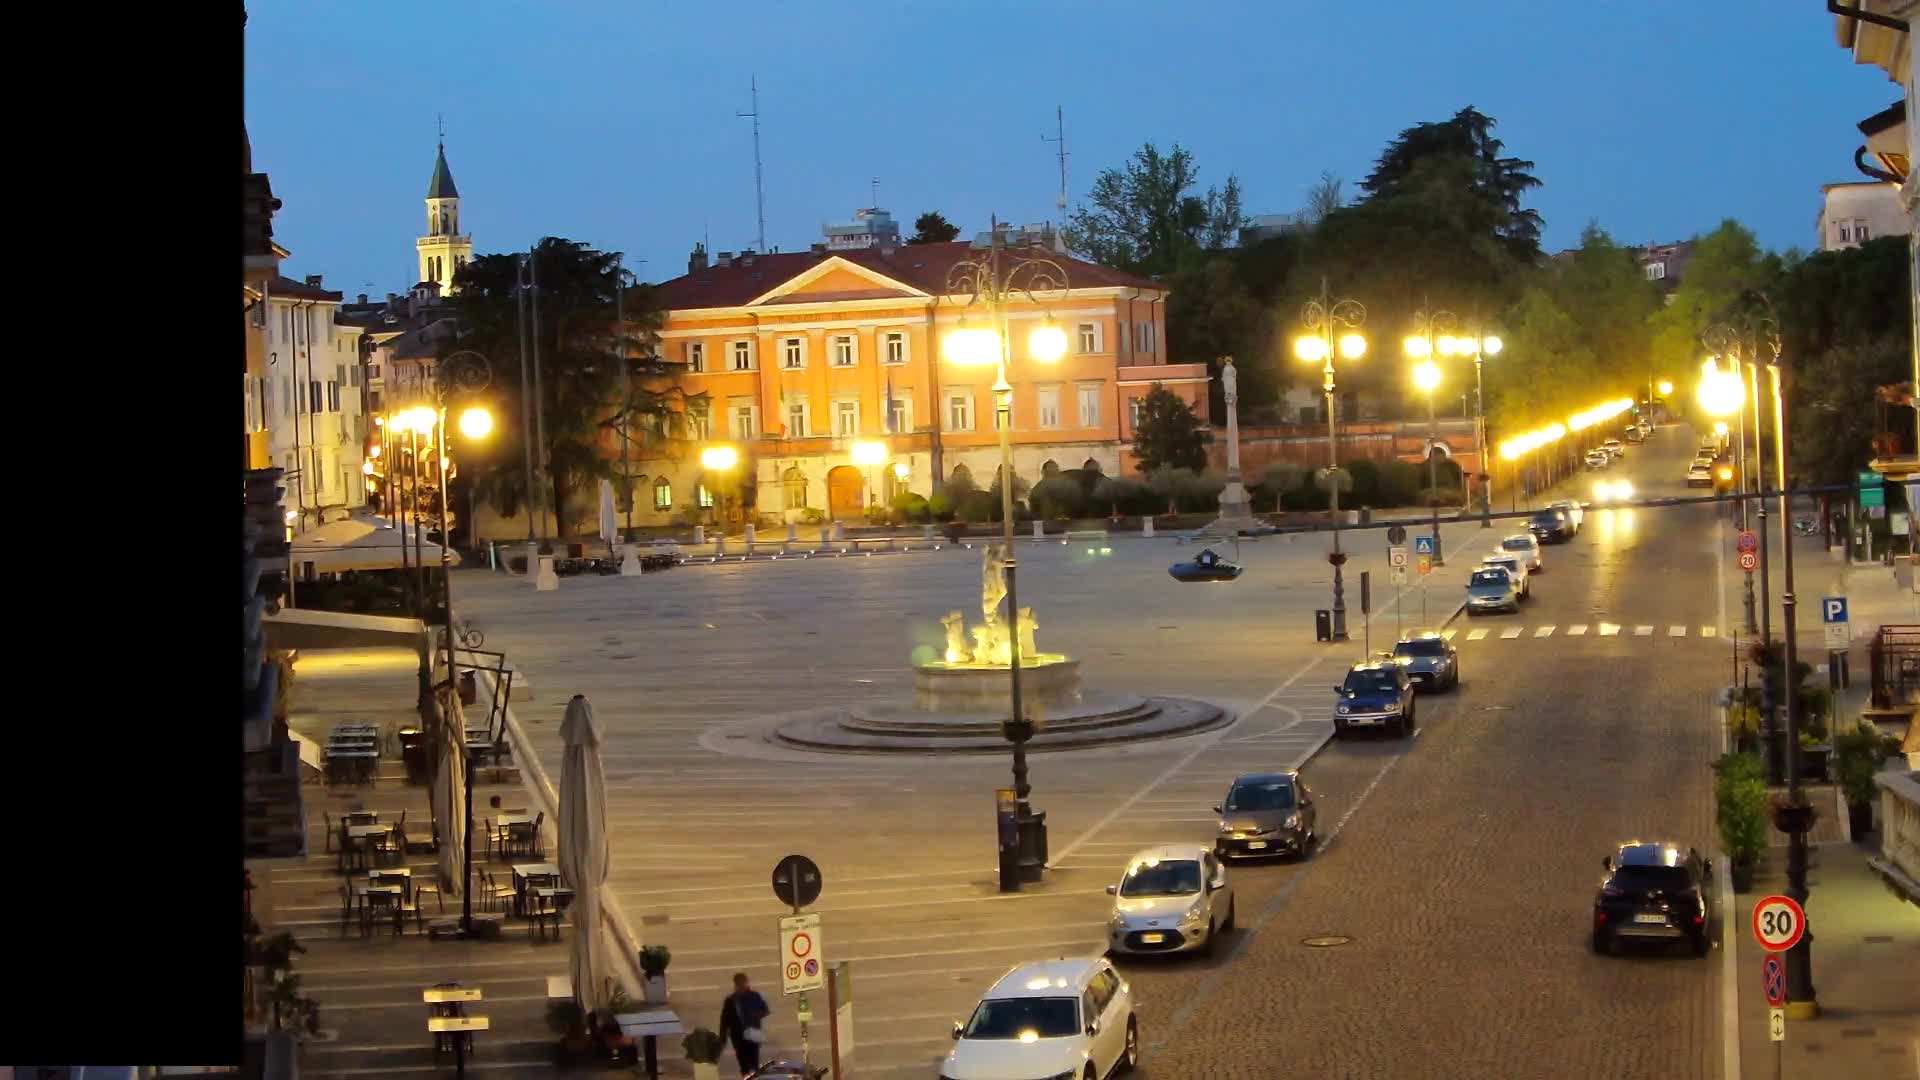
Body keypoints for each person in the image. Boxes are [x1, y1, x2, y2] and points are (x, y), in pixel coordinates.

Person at [717, 972, 770, 1075]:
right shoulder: (731, 1000)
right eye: (739, 983)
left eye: (742, 983)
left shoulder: (754, 996)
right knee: (745, 1065)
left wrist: (754, 1016)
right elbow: (725, 1021)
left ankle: (751, 1076)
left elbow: (765, 1010)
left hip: (750, 1035)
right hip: (739, 1038)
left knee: (752, 1064)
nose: (741, 985)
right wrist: (722, 1039)